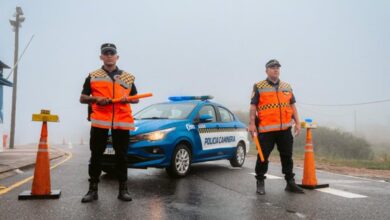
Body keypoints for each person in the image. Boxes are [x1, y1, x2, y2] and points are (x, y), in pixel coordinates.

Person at [79, 43, 138, 202]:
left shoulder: (127, 77)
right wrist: (96, 99)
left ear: (117, 56)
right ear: (101, 57)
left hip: (121, 121)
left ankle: (123, 190)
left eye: (112, 53)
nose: (109, 55)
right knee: (96, 156)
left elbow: (136, 98)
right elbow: (82, 98)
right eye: (106, 53)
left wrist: (128, 99)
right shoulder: (93, 75)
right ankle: (92, 190)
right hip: (100, 122)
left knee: (122, 157)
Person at [249, 59, 304, 195]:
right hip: (266, 130)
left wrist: (297, 123)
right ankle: (260, 181)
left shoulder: (287, 86)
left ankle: (290, 183)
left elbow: (292, 106)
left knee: (287, 156)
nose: (276, 70)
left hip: (284, 130)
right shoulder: (259, 86)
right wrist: (251, 124)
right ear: (266, 70)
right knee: (263, 157)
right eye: (272, 67)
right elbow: (253, 106)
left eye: (277, 68)